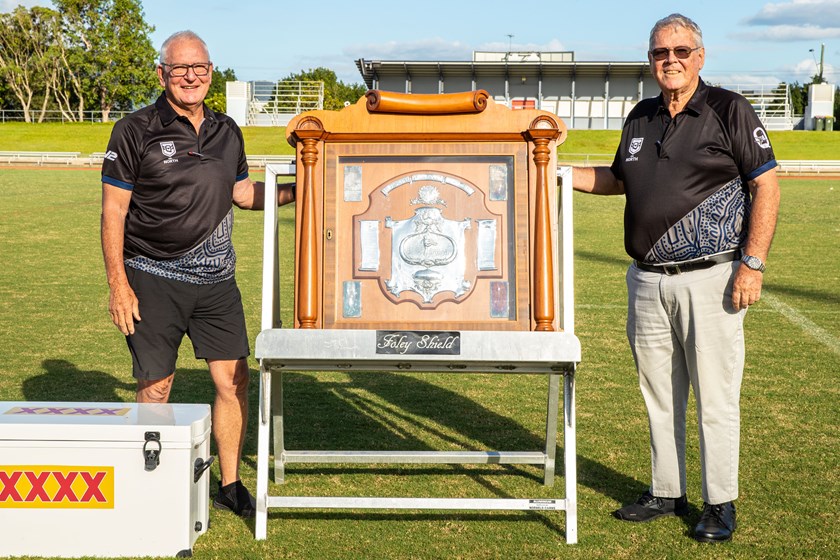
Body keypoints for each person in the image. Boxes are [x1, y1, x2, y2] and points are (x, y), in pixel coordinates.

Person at [573, 14, 780, 543]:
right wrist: (553, 170)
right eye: (660, 52)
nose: (671, 60)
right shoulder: (640, 115)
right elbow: (618, 179)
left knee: (715, 397)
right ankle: (666, 491)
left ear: (699, 56)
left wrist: (752, 263)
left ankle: (719, 503)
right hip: (646, 281)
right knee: (659, 394)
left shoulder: (728, 108)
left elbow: (766, 185)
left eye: (681, 51)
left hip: (711, 279)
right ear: (650, 60)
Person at [100, 30, 294, 518]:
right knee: (157, 386)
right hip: (151, 276)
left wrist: (304, 188)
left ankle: (229, 484)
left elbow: (243, 194)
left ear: (211, 71)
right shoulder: (134, 129)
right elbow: (113, 212)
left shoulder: (228, 130)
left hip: (217, 282)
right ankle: (153, 485)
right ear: (162, 73)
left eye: (200, 68)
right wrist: (118, 285)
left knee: (233, 381)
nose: (191, 77)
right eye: (180, 68)